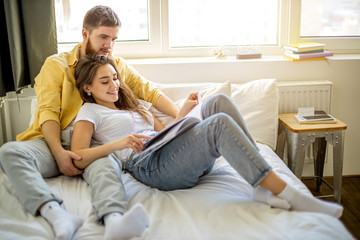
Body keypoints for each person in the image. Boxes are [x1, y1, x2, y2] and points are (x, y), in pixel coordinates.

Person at [72, 53, 344, 236]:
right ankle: (291, 195)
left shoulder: (136, 105)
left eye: (115, 78)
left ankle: (262, 185)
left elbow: (167, 133)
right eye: (105, 81)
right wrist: (118, 143)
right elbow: (79, 156)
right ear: (87, 88)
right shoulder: (90, 113)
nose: (114, 85)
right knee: (217, 125)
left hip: (166, 151)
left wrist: (184, 112)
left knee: (217, 103)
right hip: (149, 166)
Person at [0, 5, 178, 240]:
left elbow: (150, 92)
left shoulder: (116, 64)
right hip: (54, 139)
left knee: (106, 165)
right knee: (9, 152)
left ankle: (114, 220)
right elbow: (49, 113)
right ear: (85, 34)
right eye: (103, 37)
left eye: (114, 39)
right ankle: (56, 215)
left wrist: (180, 118)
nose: (109, 45)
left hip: (93, 141)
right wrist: (59, 153)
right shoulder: (57, 64)